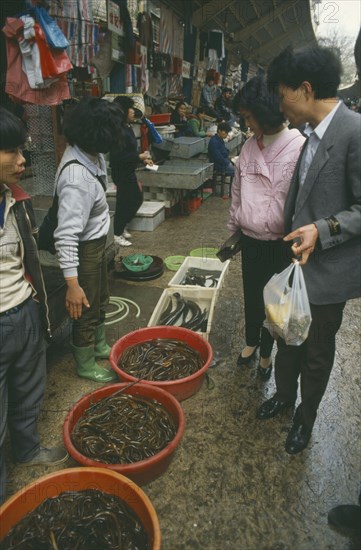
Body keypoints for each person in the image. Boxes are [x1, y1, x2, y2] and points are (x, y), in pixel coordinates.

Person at [256, 45, 361, 454]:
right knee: (286, 339)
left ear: (304, 89)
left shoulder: (353, 132)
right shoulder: (307, 137)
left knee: (316, 353)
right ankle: (284, 396)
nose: (279, 106)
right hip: (295, 268)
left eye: (281, 94)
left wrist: (324, 229)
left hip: (328, 273)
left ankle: (305, 417)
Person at [0, 106, 68, 504]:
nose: (22, 160)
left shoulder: (18, 200)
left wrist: (39, 307)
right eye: (10, 151)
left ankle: (27, 451)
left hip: (24, 313)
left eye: (21, 150)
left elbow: (28, 262)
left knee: (29, 392)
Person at [229, 76, 305, 380]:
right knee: (252, 294)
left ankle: (266, 352)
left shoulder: (298, 147)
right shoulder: (249, 147)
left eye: (249, 116)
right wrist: (234, 225)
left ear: (264, 111)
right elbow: (237, 190)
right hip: (251, 239)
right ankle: (250, 342)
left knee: (275, 301)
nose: (246, 124)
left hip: (281, 242)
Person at [54, 97, 125, 383]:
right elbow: (66, 235)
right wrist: (72, 284)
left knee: (100, 299)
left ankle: (98, 346)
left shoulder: (92, 156)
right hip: (83, 251)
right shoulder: (76, 178)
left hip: (96, 245)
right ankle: (84, 362)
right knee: (84, 306)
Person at [110, 96, 153, 247]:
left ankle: (122, 227)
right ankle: (116, 233)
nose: (133, 111)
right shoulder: (118, 130)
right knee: (125, 202)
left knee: (136, 199)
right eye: (130, 108)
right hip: (121, 172)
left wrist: (142, 159)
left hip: (129, 170)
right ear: (122, 110)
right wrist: (138, 156)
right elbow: (117, 157)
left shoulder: (127, 126)